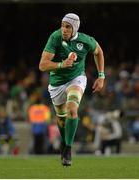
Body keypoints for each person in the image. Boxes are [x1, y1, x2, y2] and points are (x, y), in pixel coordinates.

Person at [39, 13, 105, 166]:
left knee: (72, 109)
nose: (64, 29)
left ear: (75, 28)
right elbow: (42, 65)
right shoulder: (55, 37)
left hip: (76, 79)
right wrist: (62, 64)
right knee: (61, 119)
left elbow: (99, 52)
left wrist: (101, 76)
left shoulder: (86, 40)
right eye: (62, 25)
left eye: (68, 27)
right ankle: (64, 142)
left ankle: (68, 148)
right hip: (56, 84)